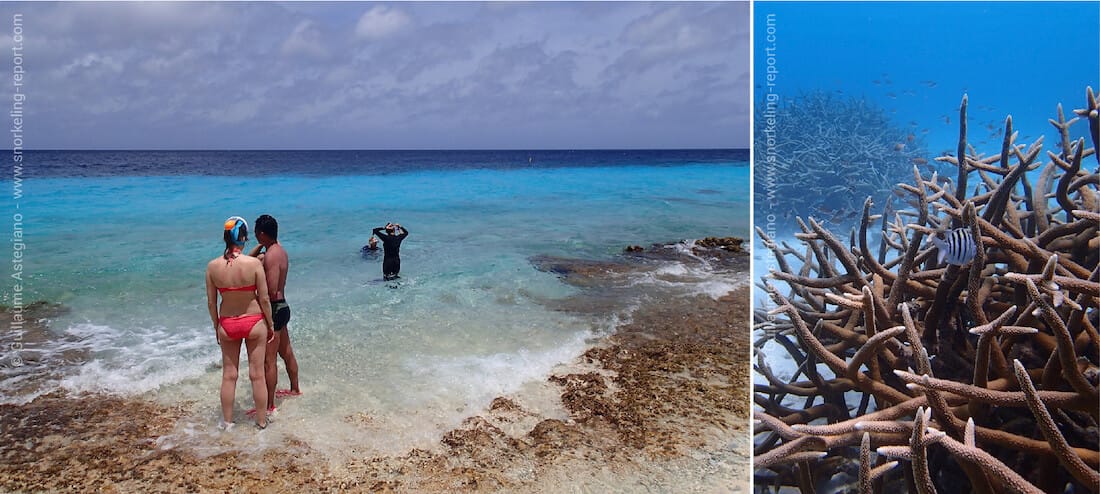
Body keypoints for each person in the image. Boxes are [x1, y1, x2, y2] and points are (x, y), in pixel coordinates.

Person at [205, 216, 273, 430]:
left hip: (227, 322)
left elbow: (210, 302)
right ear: (243, 237)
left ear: (225, 237)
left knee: (229, 375)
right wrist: (270, 324)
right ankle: (261, 422)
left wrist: (217, 326)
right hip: (254, 322)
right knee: (257, 374)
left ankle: (227, 423)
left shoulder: (212, 266)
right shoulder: (253, 264)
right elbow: (263, 298)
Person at [249, 214, 302, 406]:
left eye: (256, 234)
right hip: (283, 306)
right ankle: (295, 388)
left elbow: (270, 291)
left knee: (268, 360)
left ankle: (270, 404)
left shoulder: (270, 256)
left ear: (261, 234)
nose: (254, 236)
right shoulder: (280, 251)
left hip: (274, 308)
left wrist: (253, 299)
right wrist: (264, 245)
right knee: (286, 351)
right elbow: (249, 259)